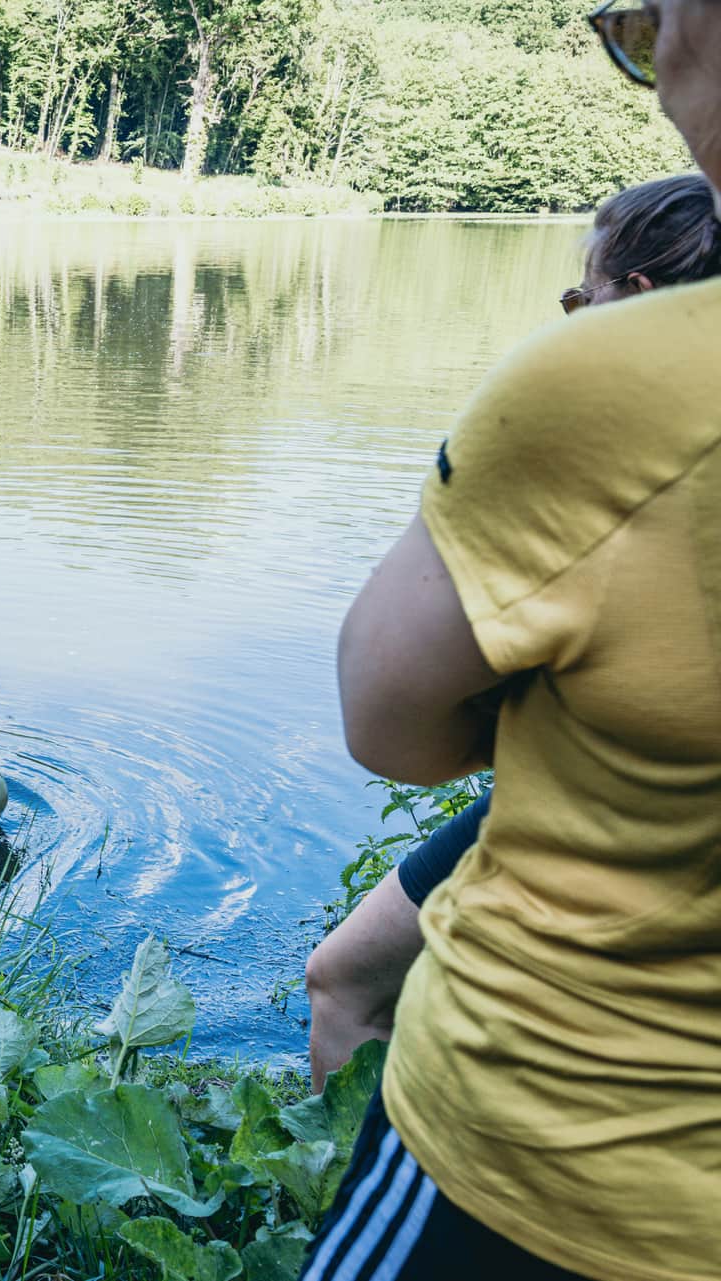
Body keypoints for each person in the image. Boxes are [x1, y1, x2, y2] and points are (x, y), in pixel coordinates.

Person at [308, 4, 721, 1277]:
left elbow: (388, 727)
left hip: (548, 1169)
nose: (648, 53)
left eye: (648, 25)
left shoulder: (616, 389)